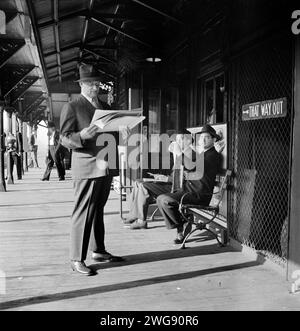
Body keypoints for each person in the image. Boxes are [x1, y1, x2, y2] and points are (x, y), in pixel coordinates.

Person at [60, 64, 126, 276]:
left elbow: (109, 134)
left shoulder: (104, 105)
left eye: (97, 83)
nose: (96, 87)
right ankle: (76, 259)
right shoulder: (72, 105)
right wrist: (81, 136)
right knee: (83, 212)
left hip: (105, 167)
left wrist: (121, 127)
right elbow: (63, 138)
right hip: (87, 167)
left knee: (97, 210)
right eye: (91, 83)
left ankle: (98, 250)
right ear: (82, 84)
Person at [156, 124, 221, 244]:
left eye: (206, 137)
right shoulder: (204, 154)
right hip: (190, 191)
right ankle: (182, 225)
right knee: (160, 199)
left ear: (214, 139)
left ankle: (182, 225)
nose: (203, 140)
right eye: (201, 138)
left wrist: (179, 153)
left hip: (199, 195)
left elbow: (193, 166)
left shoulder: (213, 155)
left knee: (165, 200)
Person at [124, 130, 194, 230]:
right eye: (177, 139)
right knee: (138, 182)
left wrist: (166, 178)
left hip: (178, 188)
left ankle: (140, 220)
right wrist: (162, 177)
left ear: (189, 140)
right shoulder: (181, 153)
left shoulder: (190, 154)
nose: (178, 142)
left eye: (181, 139)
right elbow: (177, 174)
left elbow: (183, 179)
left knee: (143, 186)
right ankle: (134, 215)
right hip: (172, 183)